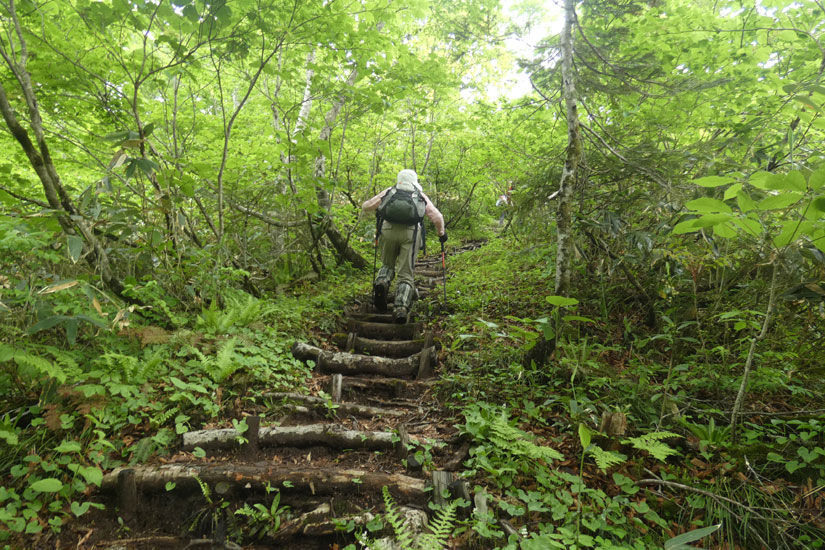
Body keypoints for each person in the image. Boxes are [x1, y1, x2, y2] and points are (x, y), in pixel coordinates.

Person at [361, 169, 447, 323]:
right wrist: (441, 233)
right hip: (410, 233)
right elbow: (437, 216)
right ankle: (400, 307)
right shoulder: (419, 195)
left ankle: (381, 283)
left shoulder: (390, 191)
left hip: (387, 230)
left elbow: (367, 206)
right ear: (414, 181)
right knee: (406, 272)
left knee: (387, 264)